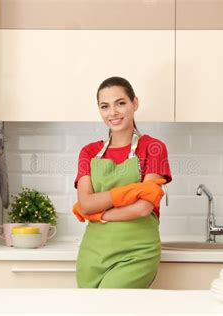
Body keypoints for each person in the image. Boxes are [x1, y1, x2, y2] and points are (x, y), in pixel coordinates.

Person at [73, 76, 172, 288]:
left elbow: (143, 208)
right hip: (93, 253)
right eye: (105, 106)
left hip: (136, 252)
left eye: (120, 103)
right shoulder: (89, 152)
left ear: (134, 103)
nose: (113, 113)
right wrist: (134, 191)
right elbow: (85, 204)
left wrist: (98, 214)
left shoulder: (154, 148)